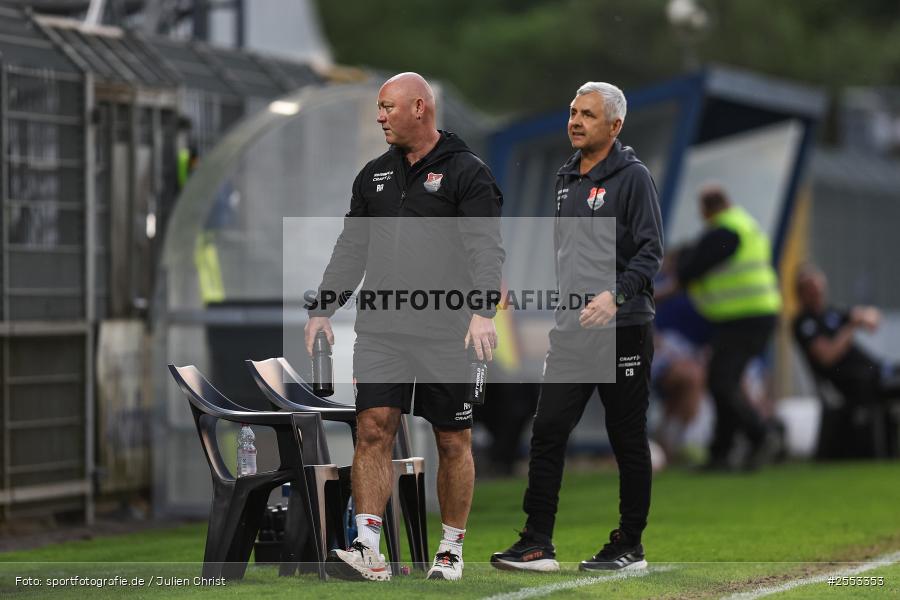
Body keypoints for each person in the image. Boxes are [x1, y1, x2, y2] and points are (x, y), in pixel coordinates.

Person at [305, 72, 504, 582]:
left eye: (388, 107)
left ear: (419, 108)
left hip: (447, 332)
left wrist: (482, 312)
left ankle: (451, 550)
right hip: (381, 331)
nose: (379, 117)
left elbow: (486, 247)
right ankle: (369, 548)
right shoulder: (372, 176)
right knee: (373, 429)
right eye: (378, 107)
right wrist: (322, 308)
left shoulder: (468, 173)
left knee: (452, 439)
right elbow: (352, 249)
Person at [491, 82, 663, 572]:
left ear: (615, 125)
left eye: (588, 114)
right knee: (546, 430)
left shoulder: (633, 178)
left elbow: (651, 253)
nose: (575, 121)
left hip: (623, 327)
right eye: (572, 111)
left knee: (625, 436)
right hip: (572, 330)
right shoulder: (565, 177)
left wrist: (616, 295)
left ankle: (629, 544)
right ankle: (537, 542)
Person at [675, 185, 782, 470]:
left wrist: (684, 259)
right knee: (724, 381)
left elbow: (690, 268)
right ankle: (721, 453)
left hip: (745, 318)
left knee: (722, 381)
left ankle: (760, 435)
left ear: (706, 208)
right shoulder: (745, 225)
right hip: (754, 315)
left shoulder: (725, 230)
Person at [793, 264, 900, 456]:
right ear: (802, 293)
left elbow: (872, 318)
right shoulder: (804, 322)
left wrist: (864, 316)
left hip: (876, 370)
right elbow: (826, 356)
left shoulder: (833, 313)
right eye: (812, 289)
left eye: (820, 287)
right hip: (854, 381)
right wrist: (850, 328)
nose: (818, 293)